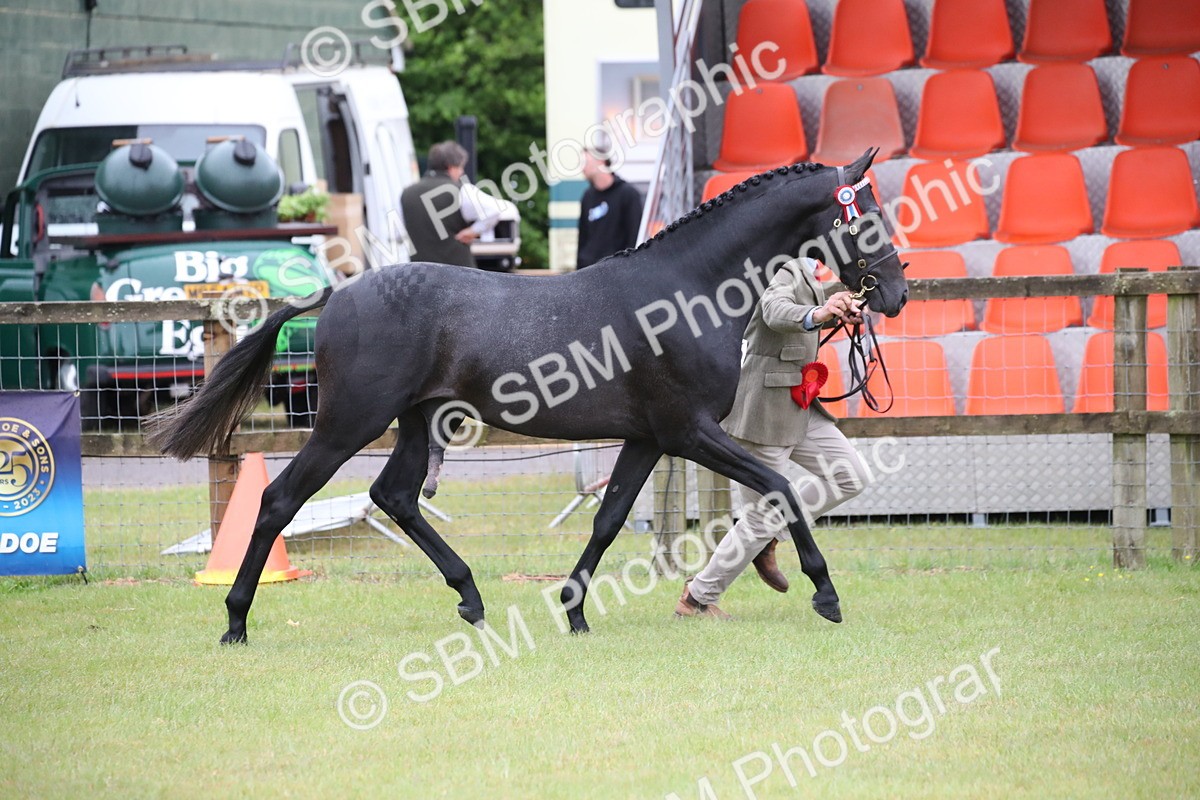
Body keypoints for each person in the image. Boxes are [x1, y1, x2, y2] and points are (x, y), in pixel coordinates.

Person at [675, 257, 874, 619]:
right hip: (764, 410)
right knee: (758, 518)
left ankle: (772, 534)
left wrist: (841, 302)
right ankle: (696, 599)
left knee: (851, 476)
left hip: (799, 406)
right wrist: (819, 312)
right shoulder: (781, 264)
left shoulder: (807, 269)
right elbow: (773, 309)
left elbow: (812, 299)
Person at [400, 141, 506, 268]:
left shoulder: (406, 194)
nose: (461, 172)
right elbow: (495, 209)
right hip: (458, 277)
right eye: (460, 167)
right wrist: (473, 231)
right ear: (450, 167)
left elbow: (398, 234)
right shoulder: (461, 191)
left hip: (420, 277)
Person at [575, 148, 644, 268]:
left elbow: (635, 237)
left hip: (616, 273)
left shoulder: (628, 194)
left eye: (585, 162)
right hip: (589, 272)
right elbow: (583, 238)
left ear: (601, 161)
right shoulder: (587, 196)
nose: (582, 168)